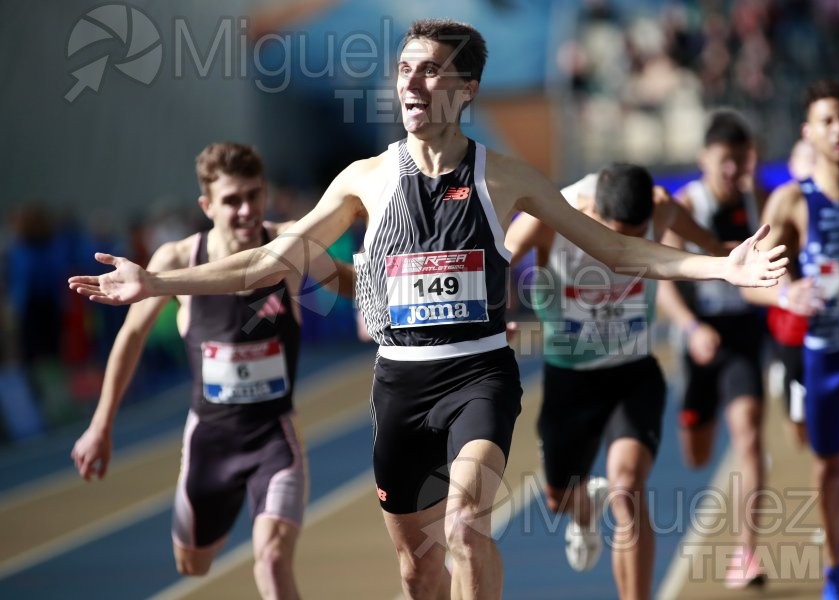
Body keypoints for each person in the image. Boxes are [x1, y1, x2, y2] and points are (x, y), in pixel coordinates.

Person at [69, 19, 787, 600]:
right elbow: (266, 260)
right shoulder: (365, 179)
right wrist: (157, 284)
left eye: (429, 70)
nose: (410, 81)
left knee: (468, 523)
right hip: (400, 387)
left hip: (478, 374)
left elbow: (620, 252)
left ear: (465, 88)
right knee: (417, 566)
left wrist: (724, 262)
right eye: (403, 69)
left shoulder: (505, 178)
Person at [70, 142, 353, 600]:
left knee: (273, 558)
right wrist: (100, 426)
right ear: (206, 205)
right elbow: (131, 337)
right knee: (192, 565)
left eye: (254, 196)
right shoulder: (177, 259)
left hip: (274, 439)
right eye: (231, 200)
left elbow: (356, 284)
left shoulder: (290, 246)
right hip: (210, 443)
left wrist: (381, 305)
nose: (245, 211)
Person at [505, 163, 727, 599]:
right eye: (614, 235)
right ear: (593, 213)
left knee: (627, 487)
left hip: (632, 373)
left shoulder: (661, 210)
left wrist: (731, 256)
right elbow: (497, 256)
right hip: (570, 380)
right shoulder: (552, 214)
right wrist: (493, 314)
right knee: (557, 499)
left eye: (635, 235)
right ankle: (583, 511)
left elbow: (704, 241)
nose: (623, 248)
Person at [742, 80, 839, 600]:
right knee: (830, 467)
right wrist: (785, 295)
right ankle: (836, 565)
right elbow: (750, 280)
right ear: (809, 133)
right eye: (825, 122)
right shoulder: (793, 201)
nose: (838, 130)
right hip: (826, 358)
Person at [656, 109, 768, 589]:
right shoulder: (687, 205)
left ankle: (747, 554)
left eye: (739, 160)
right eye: (724, 160)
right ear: (704, 159)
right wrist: (691, 326)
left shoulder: (758, 200)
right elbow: (662, 284)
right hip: (700, 335)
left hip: (743, 332)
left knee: (749, 437)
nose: (731, 170)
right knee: (697, 454)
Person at [766, 138, 816, 447]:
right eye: (805, 160)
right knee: (798, 408)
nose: (811, 167)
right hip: (793, 325)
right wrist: (788, 286)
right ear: (792, 167)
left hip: (835, 324)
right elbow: (768, 256)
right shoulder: (786, 203)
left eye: (815, 159)